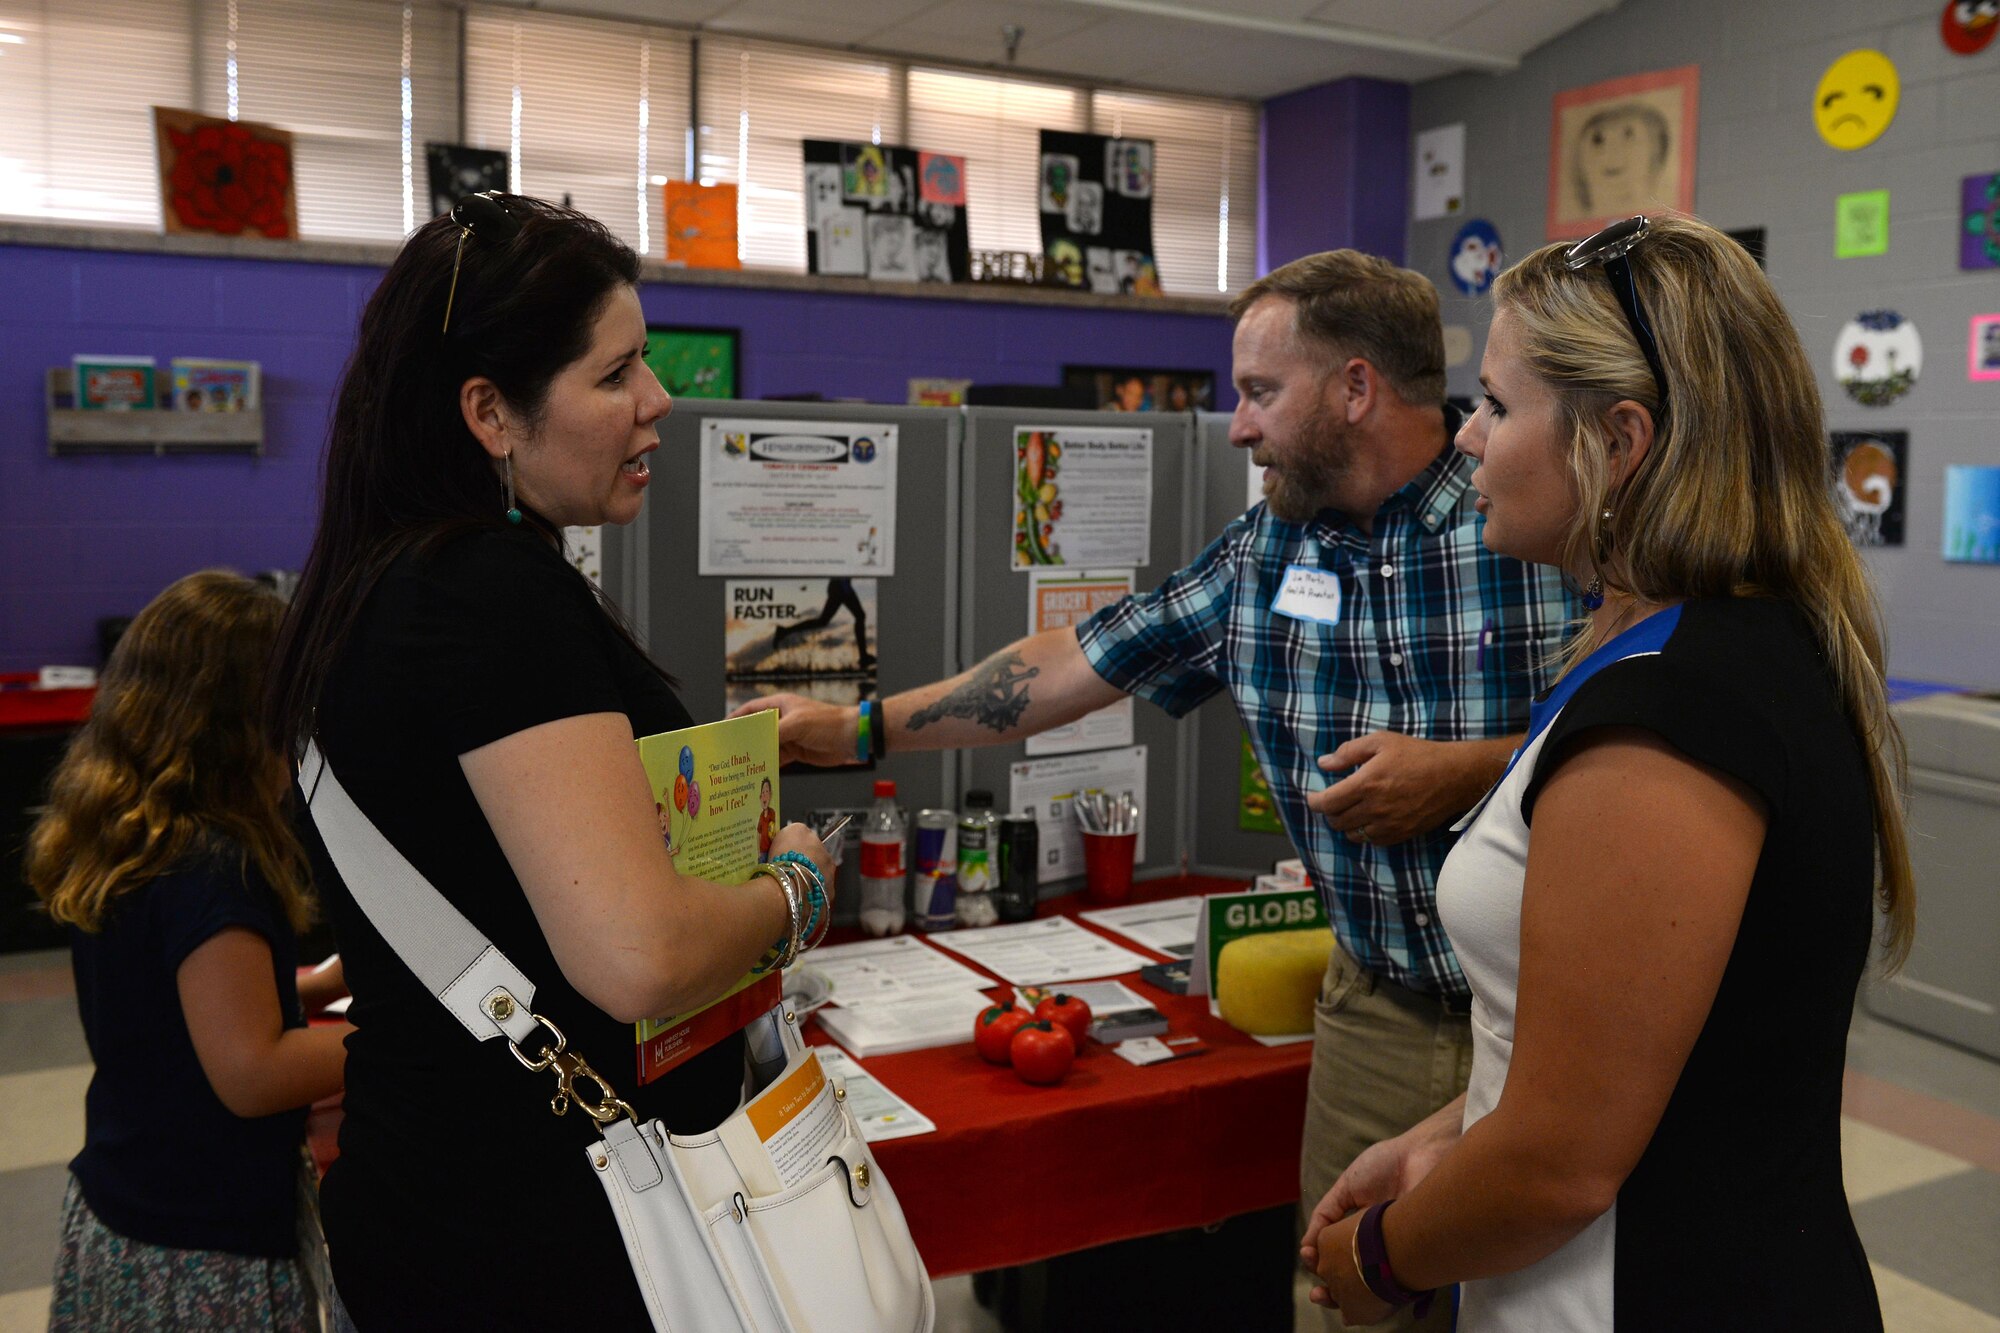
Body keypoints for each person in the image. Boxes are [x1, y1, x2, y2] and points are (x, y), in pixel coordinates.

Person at [739, 248, 1575, 1332]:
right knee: (1351, 1300)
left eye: (1261, 392)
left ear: (1356, 388)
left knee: (1547, 1297)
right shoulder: (1262, 554)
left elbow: (1645, 735)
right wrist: (851, 727)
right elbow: (1068, 668)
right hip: (1379, 1004)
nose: (1236, 425)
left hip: (1557, 1012)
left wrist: (1473, 770)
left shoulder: (1534, 520)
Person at [1302, 214, 1911, 1331]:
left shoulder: (1672, 714)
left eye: (1493, 404)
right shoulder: (1703, 648)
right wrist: (1444, 1135)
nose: (1464, 441)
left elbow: (1559, 1167)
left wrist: (1378, 1262)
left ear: (1617, 441)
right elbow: (1651, 1055)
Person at [267, 194, 837, 1331]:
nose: (658, 400)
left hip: (437, 1190)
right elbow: (640, 954)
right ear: (490, 412)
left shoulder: (371, 586)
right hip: (539, 1219)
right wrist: (795, 884)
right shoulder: (489, 594)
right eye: (616, 373)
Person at [27, 570, 351, 1332]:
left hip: (127, 1212)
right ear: (242, 722)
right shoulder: (217, 867)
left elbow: (175, 1013)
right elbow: (250, 1070)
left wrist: (322, 986)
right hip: (205, 1251)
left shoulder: (135, 837)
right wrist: (395, 1040)